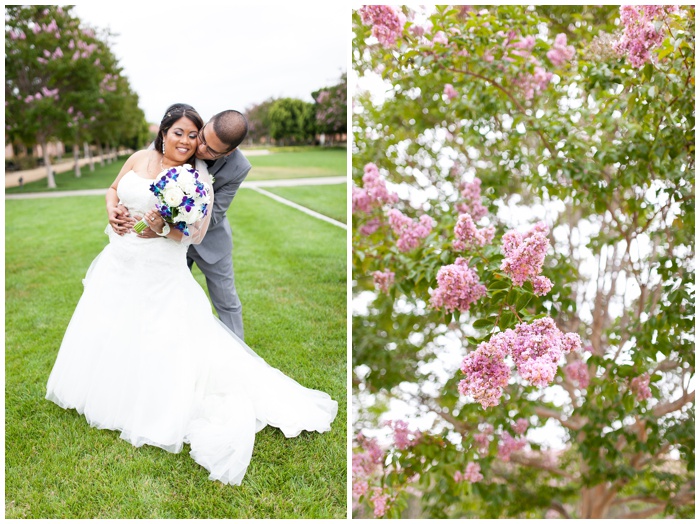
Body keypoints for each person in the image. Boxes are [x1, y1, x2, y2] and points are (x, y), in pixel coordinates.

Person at [46, 104, 337, 486]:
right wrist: (113, 210)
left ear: (224, 152)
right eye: (182, 133)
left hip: (177, 247)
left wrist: (164, 228)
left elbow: (203, 224)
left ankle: (217, 364)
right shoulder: (140, 156)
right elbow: (114, 188)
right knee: (116, 318)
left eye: (197, 139)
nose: (192, 143)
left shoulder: (201, 177)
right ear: (165, 131)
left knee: (206, 309)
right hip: (123, 258)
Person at [110, 105, 250, 340]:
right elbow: (145, 176)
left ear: (229, 152)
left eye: (212, 150)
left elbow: (214, 214)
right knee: (164, 300)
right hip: (165, 247)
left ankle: (238, 352)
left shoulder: (239, 167)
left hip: (210, 241)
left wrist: (166, 226)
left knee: (227, 302)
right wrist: (126, 204)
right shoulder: (185, 134)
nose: (200, 148)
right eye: (202, 138)